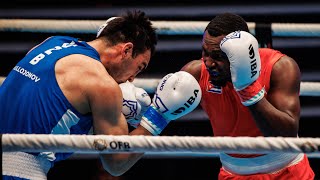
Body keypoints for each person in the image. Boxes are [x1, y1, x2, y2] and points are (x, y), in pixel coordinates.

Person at [0, 10, 202, 179]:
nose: (132, 79)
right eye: (139, 67)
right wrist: (158, 116)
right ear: (126, 50)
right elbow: (116, 164)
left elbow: (42, 110)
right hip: (19, 170)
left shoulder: (52, 42)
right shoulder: (103, 85)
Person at [181, 12, 315, 179]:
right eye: (205, 53)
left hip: (288, 173)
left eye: (217, 56)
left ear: (241, 54)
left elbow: (287, 135)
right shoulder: (195, 73)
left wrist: (248, 88)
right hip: (232, 174)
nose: (208, 63)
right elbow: (152, 127)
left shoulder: (280, 67)